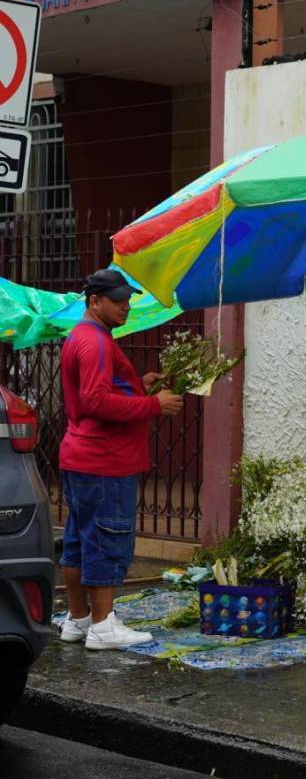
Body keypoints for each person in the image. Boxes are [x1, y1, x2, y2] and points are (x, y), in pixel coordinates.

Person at [58, 269, 184, 649]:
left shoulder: (82, 336)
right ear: (94, 301)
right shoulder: (94, 341)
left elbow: (95, 392)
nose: (126, 307)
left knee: (79, 541)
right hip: (104, 460)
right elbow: (96, 401)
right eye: (117, 300)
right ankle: (103, 626)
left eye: (127, 300)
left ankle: (78, 619)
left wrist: (135, 385)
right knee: (106, 540)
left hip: (82, 456)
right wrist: (152, 404)